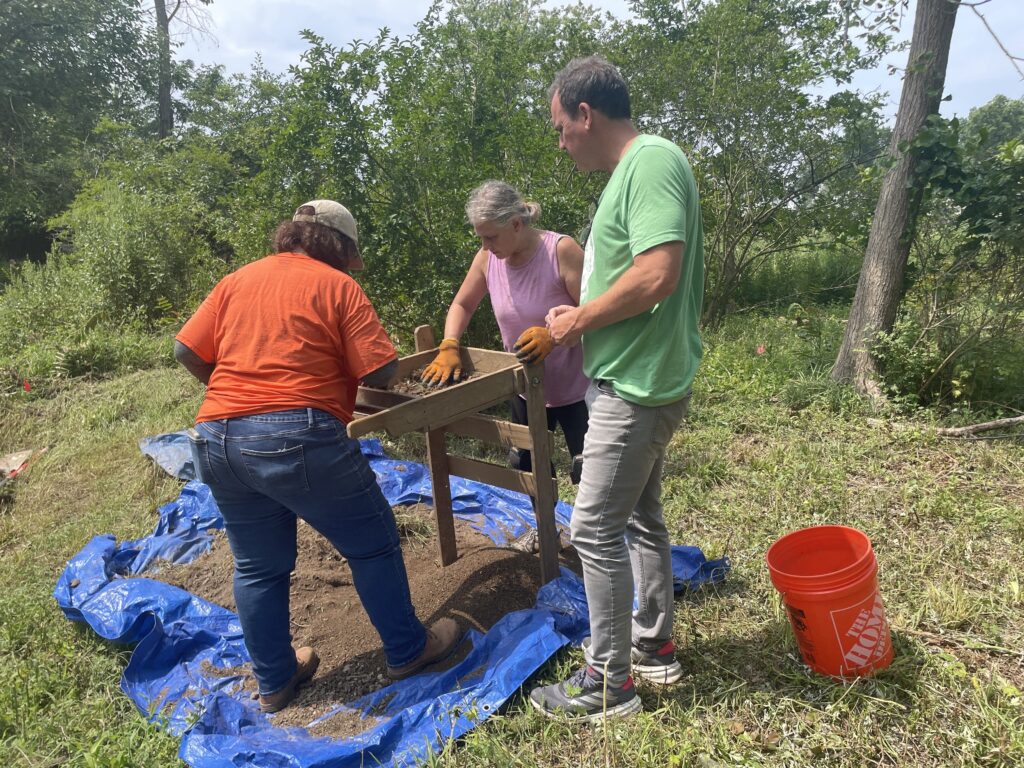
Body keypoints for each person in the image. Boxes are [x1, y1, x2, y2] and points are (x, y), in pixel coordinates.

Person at [174, 200, 462, 714]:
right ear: (340, 247)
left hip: (215, 436)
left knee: (258, 567)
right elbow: (379, 372)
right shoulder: (338, 286)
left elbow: (187, 352)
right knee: (373, 544)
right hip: (296, 435)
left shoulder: (237, 279)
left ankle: (276, 680)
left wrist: (238, 402)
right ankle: (408, 650)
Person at [529, 56, 705, 722]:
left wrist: (577, 321)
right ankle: (653, 645)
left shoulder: (652, 160)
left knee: (592, 528)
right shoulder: (632, 174)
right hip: (635, 374)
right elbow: (633, 278)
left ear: (585, 114)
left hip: (638, 384)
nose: (560, 141)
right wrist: (582, 315)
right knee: (637, 518)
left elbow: (659, 273)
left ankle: (610, 682)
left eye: (559, 127)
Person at [421, 180, 589, 485]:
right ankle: (544, 530)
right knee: (528, 466)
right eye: (481, 238)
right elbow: (462, 303)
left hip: (578, 387)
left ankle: (596, 533)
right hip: (525, 386)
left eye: (490, 237)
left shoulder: (560, 251)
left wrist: (556, 335)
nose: (485, 246)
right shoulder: (488, 259)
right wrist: (449, 344)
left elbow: (594, 312)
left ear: (515, 224)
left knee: (590, 470)